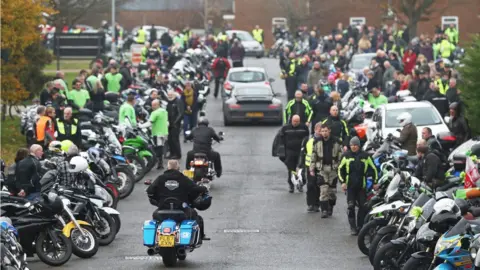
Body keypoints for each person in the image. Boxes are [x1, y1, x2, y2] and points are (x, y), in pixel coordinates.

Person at [146, 160, 209, 242]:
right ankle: (199, 238)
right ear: (178, 168)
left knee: (155, 219)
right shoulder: (183, 178)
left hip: (162, 211)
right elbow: (196, 189)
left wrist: (158, 201)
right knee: (197, 218)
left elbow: (150, 191)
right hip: (182, 211)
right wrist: (204, 188)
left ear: (168, 168)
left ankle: (156, 239)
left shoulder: (160, 178)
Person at [338, 136, 378, 235]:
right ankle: (353, 227)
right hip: (350, 186)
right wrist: (342, 182)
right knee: (351, 207)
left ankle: (361, 226)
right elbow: (340, 170)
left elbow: (374, 169)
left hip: (361, 186)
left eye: (356, 145)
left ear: (359, 146)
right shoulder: (346, 156)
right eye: (352, 145)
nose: (354, 147)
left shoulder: (365, 156)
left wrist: (375, 182)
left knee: (363, 206)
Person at [309, 124, 343, 218]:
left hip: (333, 169)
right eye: (322, 131)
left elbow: (341, 155)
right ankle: (324, 210)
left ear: (329, 131)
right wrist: (312, 168)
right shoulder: (317, 142)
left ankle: (330, 207)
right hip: (322, 169)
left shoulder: (337, 141)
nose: (324, 133)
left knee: (332, 192)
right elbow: (313, 155)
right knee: (323, 190)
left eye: (325, 131)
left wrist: (340, 167)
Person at [279, 115, 309, 193]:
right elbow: (280, 140)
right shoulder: (285, 128)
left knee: (301, 169)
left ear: (299, 121)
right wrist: (282, 153)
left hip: (301, 151)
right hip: (290, 151)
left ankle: (301, 185)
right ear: (291, 120)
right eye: (294, 121)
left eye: (297, 121)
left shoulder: (304, 128)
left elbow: (307, 139)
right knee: (291, 169)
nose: (295, 123)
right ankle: (291, 185)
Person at [139, 100, 169, 170]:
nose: (152, 106)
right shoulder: (164, 111)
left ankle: (159, 163)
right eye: (152, 105)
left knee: (157, 148)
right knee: (161, 147)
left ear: (157, 105)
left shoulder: (154, 113)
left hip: (157, 133)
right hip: (164, 132)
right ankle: (160, 163)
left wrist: (140, 126)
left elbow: (150, 123)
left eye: (154, 105)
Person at [298, 123, 321, 212]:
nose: (320, 132)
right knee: (311, 185)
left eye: (321, 131)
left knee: (318, 185)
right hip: (309, 166)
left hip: (320, 166)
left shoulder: (323, 140)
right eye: (319, 130)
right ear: (315, 130)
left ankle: (317, 204)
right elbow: (302, 153)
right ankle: (310, 204)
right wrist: (300, 165)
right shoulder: (307, 139)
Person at [166, 90, 183, 159]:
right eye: (169, 95)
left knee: (175, 139)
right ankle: (172, 153)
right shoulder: (169, 102)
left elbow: (180, 113)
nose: (170, 96)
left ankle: (178, 154)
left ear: (174, 95)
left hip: (175, 124)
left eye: (171, 95)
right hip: (169, 124)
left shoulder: (178, 101)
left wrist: (175, 122)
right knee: (169, 139)